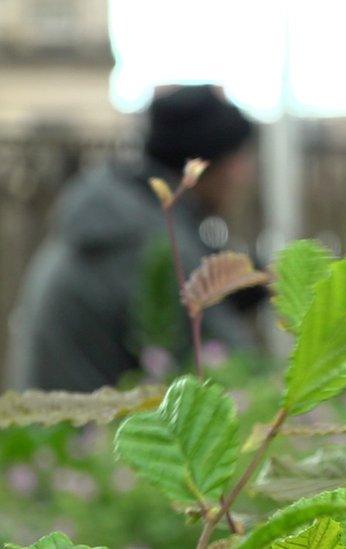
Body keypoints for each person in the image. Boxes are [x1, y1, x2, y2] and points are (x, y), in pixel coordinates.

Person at [7, 85, 261, 391]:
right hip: (80, 431)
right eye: (238, 159)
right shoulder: (146, 239)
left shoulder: (123, 210)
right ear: (206, 165)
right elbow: (235, 368)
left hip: (62, 424)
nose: (245, 174)